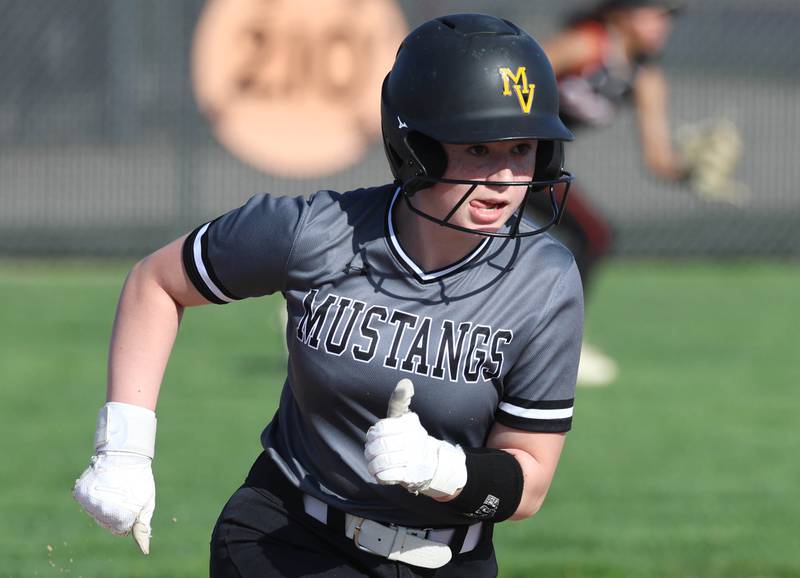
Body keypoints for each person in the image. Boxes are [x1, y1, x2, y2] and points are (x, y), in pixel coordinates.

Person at [72, 13, 583, 578]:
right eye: (478, 150)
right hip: (288, 543)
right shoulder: (316, 231)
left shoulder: (546, 280)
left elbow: (530, 481)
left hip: (452, 562)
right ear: (415, 147)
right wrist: (122, 449)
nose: (507, 178)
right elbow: (157, 283)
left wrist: (446, 471)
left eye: (523, 148)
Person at [524, 0, 687, 386]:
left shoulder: (644, 77)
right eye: (653, 12)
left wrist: (693, 167)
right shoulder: (586, 44)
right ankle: (549, 342)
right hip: (502, 154)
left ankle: (554, 342)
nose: (662, 23)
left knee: (594, 236)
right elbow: (511, 76)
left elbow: (659, 159)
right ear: (619, 13)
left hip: (539, 169)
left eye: (667, 16)